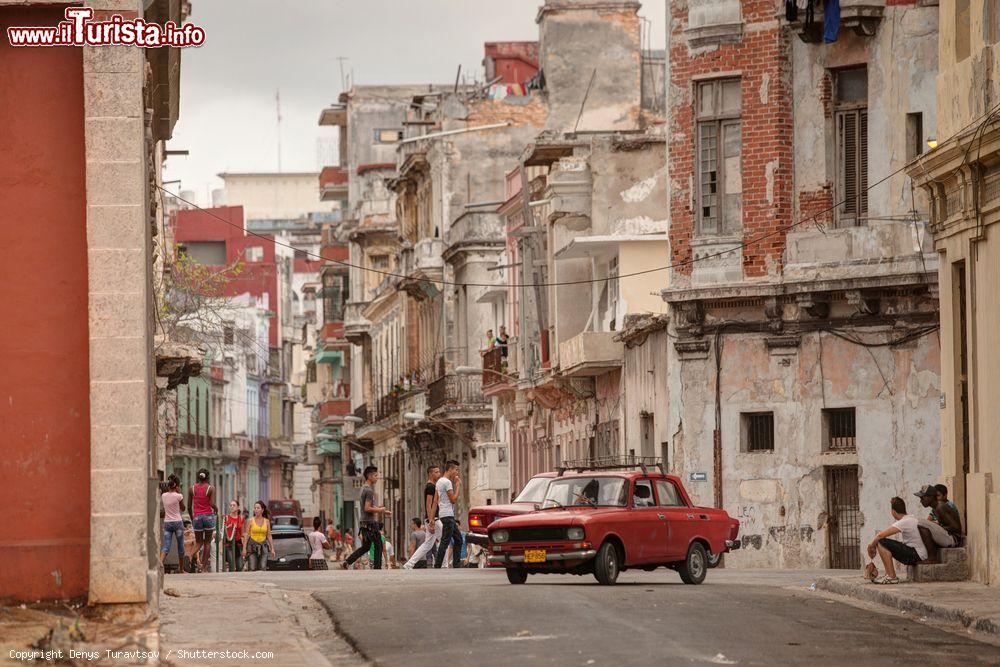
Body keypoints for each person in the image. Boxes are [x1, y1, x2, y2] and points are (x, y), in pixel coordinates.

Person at [866, 497, 927, 584]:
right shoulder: (911, 519)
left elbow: (880, 535)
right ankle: (888, 575)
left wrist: (871, 545)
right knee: (882, 541)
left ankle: (891, 576)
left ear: (893, 511)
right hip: (919, 554)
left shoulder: (904, 522)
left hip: (916, 555)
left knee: (881, 541)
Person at [341, 465, 392, 570]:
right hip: (370, 523)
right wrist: (380, 510)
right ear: (369, 476)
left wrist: (383, 511)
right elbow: (367, 508)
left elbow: (370, 506)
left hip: (364, 522)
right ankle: (377, 568)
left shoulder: (363, 488)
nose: (377, 478)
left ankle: (347, 562)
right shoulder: (369, 491)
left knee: (366, 547)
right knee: (378, 545)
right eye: (376, 475)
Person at [404, 465, 443, 569]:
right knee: (445, 539)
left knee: (428, 544)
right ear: (430, 474)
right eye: (436, 472)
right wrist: (431, 521)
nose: (438, 474)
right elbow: (428, 504)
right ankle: (444, 564)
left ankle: (409, 564)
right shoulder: (430, 487)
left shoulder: (432, 486)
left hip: (432, 518)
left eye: (439, 472)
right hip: (433, 518)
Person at [434, 460, 464, 569]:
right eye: (456, 470)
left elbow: (436, 500)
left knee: (458, 539)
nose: (457, 472)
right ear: (450, 469)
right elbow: (453, 500)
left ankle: (456, 564)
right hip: (447, 515)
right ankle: (437, 565)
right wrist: (458, 486)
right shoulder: (447, 482)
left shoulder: (439, 482)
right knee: (445, 541)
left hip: (445, 514)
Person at [187, 469, 217, 573]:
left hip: (197, 517)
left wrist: (192, 518)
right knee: (207, 542)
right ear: (207, 477)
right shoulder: (211, 488)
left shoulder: (192, 488)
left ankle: (190, 556)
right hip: (208, 516)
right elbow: (212, 504)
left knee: (199, 542)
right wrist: (216, 509)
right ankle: (203, 567)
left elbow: (188, 506)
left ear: (197, 477)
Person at [160, 476, 186, 572]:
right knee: (180, 546)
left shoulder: (163, 496)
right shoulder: (179, 496)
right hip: (177, 523)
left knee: (166, 546)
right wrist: (179, 493)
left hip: (167, 523)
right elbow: (183, 508)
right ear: (177, 486)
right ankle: (181, 569)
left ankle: (160, 563)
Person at [242, 500, 276, 572]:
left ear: (262, 510)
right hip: (251, 546)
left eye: (258, 508)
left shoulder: (267, 521)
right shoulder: (250, 521)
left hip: (263, 546)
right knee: (252, 567)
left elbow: (269, 535)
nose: (256, 510)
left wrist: (272, 548)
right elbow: (247, 535)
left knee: (263, 567)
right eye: (255, 508)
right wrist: (244, 548)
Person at [223, 500, 245, 572]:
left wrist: (244, 547)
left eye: (234, 505)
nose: (232, 507)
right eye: (231, 505)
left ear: (238, 507)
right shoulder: (226, 518)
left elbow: (242, 534)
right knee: (231, 563)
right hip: (229, 543)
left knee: (240, 566)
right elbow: (222, 532)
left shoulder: (241, 518)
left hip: (238, 544)